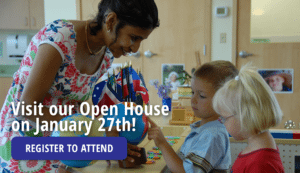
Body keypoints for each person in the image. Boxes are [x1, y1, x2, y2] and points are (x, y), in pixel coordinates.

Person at [0, 0, 159, 172]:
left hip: (66, 143)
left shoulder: (106, 55)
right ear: (111, 21)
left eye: (140, 40)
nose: (135, 48)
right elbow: (26, 108)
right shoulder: (60, 38)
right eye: (134, 37)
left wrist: (103, 137)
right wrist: (95, 134)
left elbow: (76, 101)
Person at [147, 61, 239, 173]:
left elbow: (185, 171)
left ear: (223, 101)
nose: (193, 99)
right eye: (193, 92)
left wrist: (162, 143)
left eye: (201, 95)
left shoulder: (213, 135)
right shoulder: (205, 129)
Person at [213, 64, 284, 172]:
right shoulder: (256, 150)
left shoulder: (260, 163)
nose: (222, 123)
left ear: (245, 117)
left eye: (224, 118)